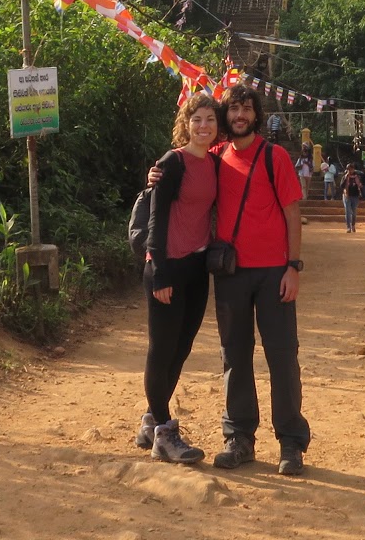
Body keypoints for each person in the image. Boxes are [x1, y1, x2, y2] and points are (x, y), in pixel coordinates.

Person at [210, 85, 309, 476]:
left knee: (282, 357)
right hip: (231, 273)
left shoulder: (275, 157)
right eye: (234, 109)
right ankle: (239, 438)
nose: (240, 115)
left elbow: (292, 212)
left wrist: (293, 267)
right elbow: (185, 177)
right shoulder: (215, 157)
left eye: (247, 109)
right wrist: (157, 174)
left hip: (274, 273)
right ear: (226, 115)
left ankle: (291, 443)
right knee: (234, 356)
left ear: (257, 115)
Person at [135, 93, 221, 464]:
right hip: (167, 266)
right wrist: (159, 272)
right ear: (185, 123)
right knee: (162, 349)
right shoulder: (172, 162)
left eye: (210, 120)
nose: (204, 126)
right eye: (197, 119)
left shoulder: (215, 163)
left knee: (182, 349)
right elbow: (156, 221)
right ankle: (165, 433)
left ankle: (151, 421)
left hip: (197, 270)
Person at [341, 165, 362, 232]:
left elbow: (361, 185)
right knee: (347, 212)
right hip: (347, 196)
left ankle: (353, 225)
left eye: (351, 169)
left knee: (354, 212)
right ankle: (348, 227)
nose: (350, 171)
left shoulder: (357, 177)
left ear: (353, 169)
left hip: (355, 196)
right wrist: (345, 178)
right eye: (348, 169)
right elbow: (341, 186)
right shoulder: (345, 176)